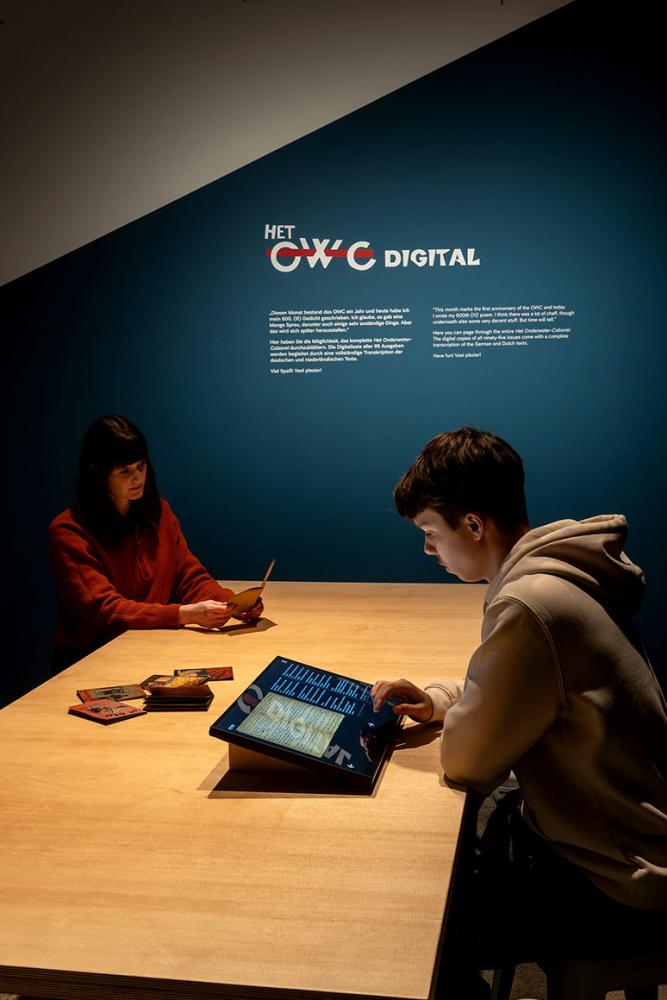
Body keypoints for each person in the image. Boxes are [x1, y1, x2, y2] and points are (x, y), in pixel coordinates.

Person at [371, 427, 667, 996]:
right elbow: (527, 689)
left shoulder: (530, 604)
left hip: (618, 876)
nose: (428, 550)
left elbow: (467, 762)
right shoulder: (561, 575)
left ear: (474, 525)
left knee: (413, 932)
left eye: (431, 533)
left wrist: (455, 718)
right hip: (640, 834)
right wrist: (438, 700)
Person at [49, 414, 262, 672]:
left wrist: (233, 604)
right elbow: (104, 610)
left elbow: (189, 576)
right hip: (89, 660)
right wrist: (183, 614)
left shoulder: (159, 513)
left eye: (141, 466)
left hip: (146, 649)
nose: (137, 478)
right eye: (124, 471)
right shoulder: (70, 530)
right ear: (96, 472)